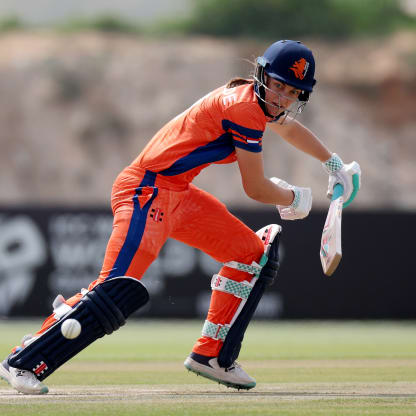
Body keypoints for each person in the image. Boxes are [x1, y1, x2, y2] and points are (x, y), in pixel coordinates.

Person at [0, 40, 361, 394]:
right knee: (115, 289)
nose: (282, 98)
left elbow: (285, 127)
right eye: (279, 86)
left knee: (252, 253)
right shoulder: (245, 107)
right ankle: (23, 361)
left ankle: (213, 355)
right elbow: (256, 188)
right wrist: (294, 198)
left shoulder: (258, 102)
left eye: (292, 92)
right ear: (263, 75)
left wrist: (334, 165)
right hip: (146, 191)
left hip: (178, 193)